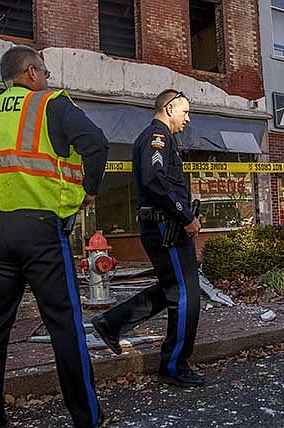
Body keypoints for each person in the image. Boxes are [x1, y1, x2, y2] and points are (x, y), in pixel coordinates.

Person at [0, 45, 108, 428]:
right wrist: (89, 190)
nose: (47, 79)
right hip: (41, 230)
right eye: (44, 72)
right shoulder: (51, 104)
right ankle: (86, 417)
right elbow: (95, 143)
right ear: (30, 73)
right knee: (64, 323)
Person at [91, 89, 204, 387]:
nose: (188, 119)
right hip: (167, 228)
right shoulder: (158, 137)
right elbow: (155, 181)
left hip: (164, 226)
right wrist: (186, 217)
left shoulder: (160, 138)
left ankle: (111, 324)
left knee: (172, 288)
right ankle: (174, 364)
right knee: (186, 295)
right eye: (184, 112)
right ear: (168, 109)